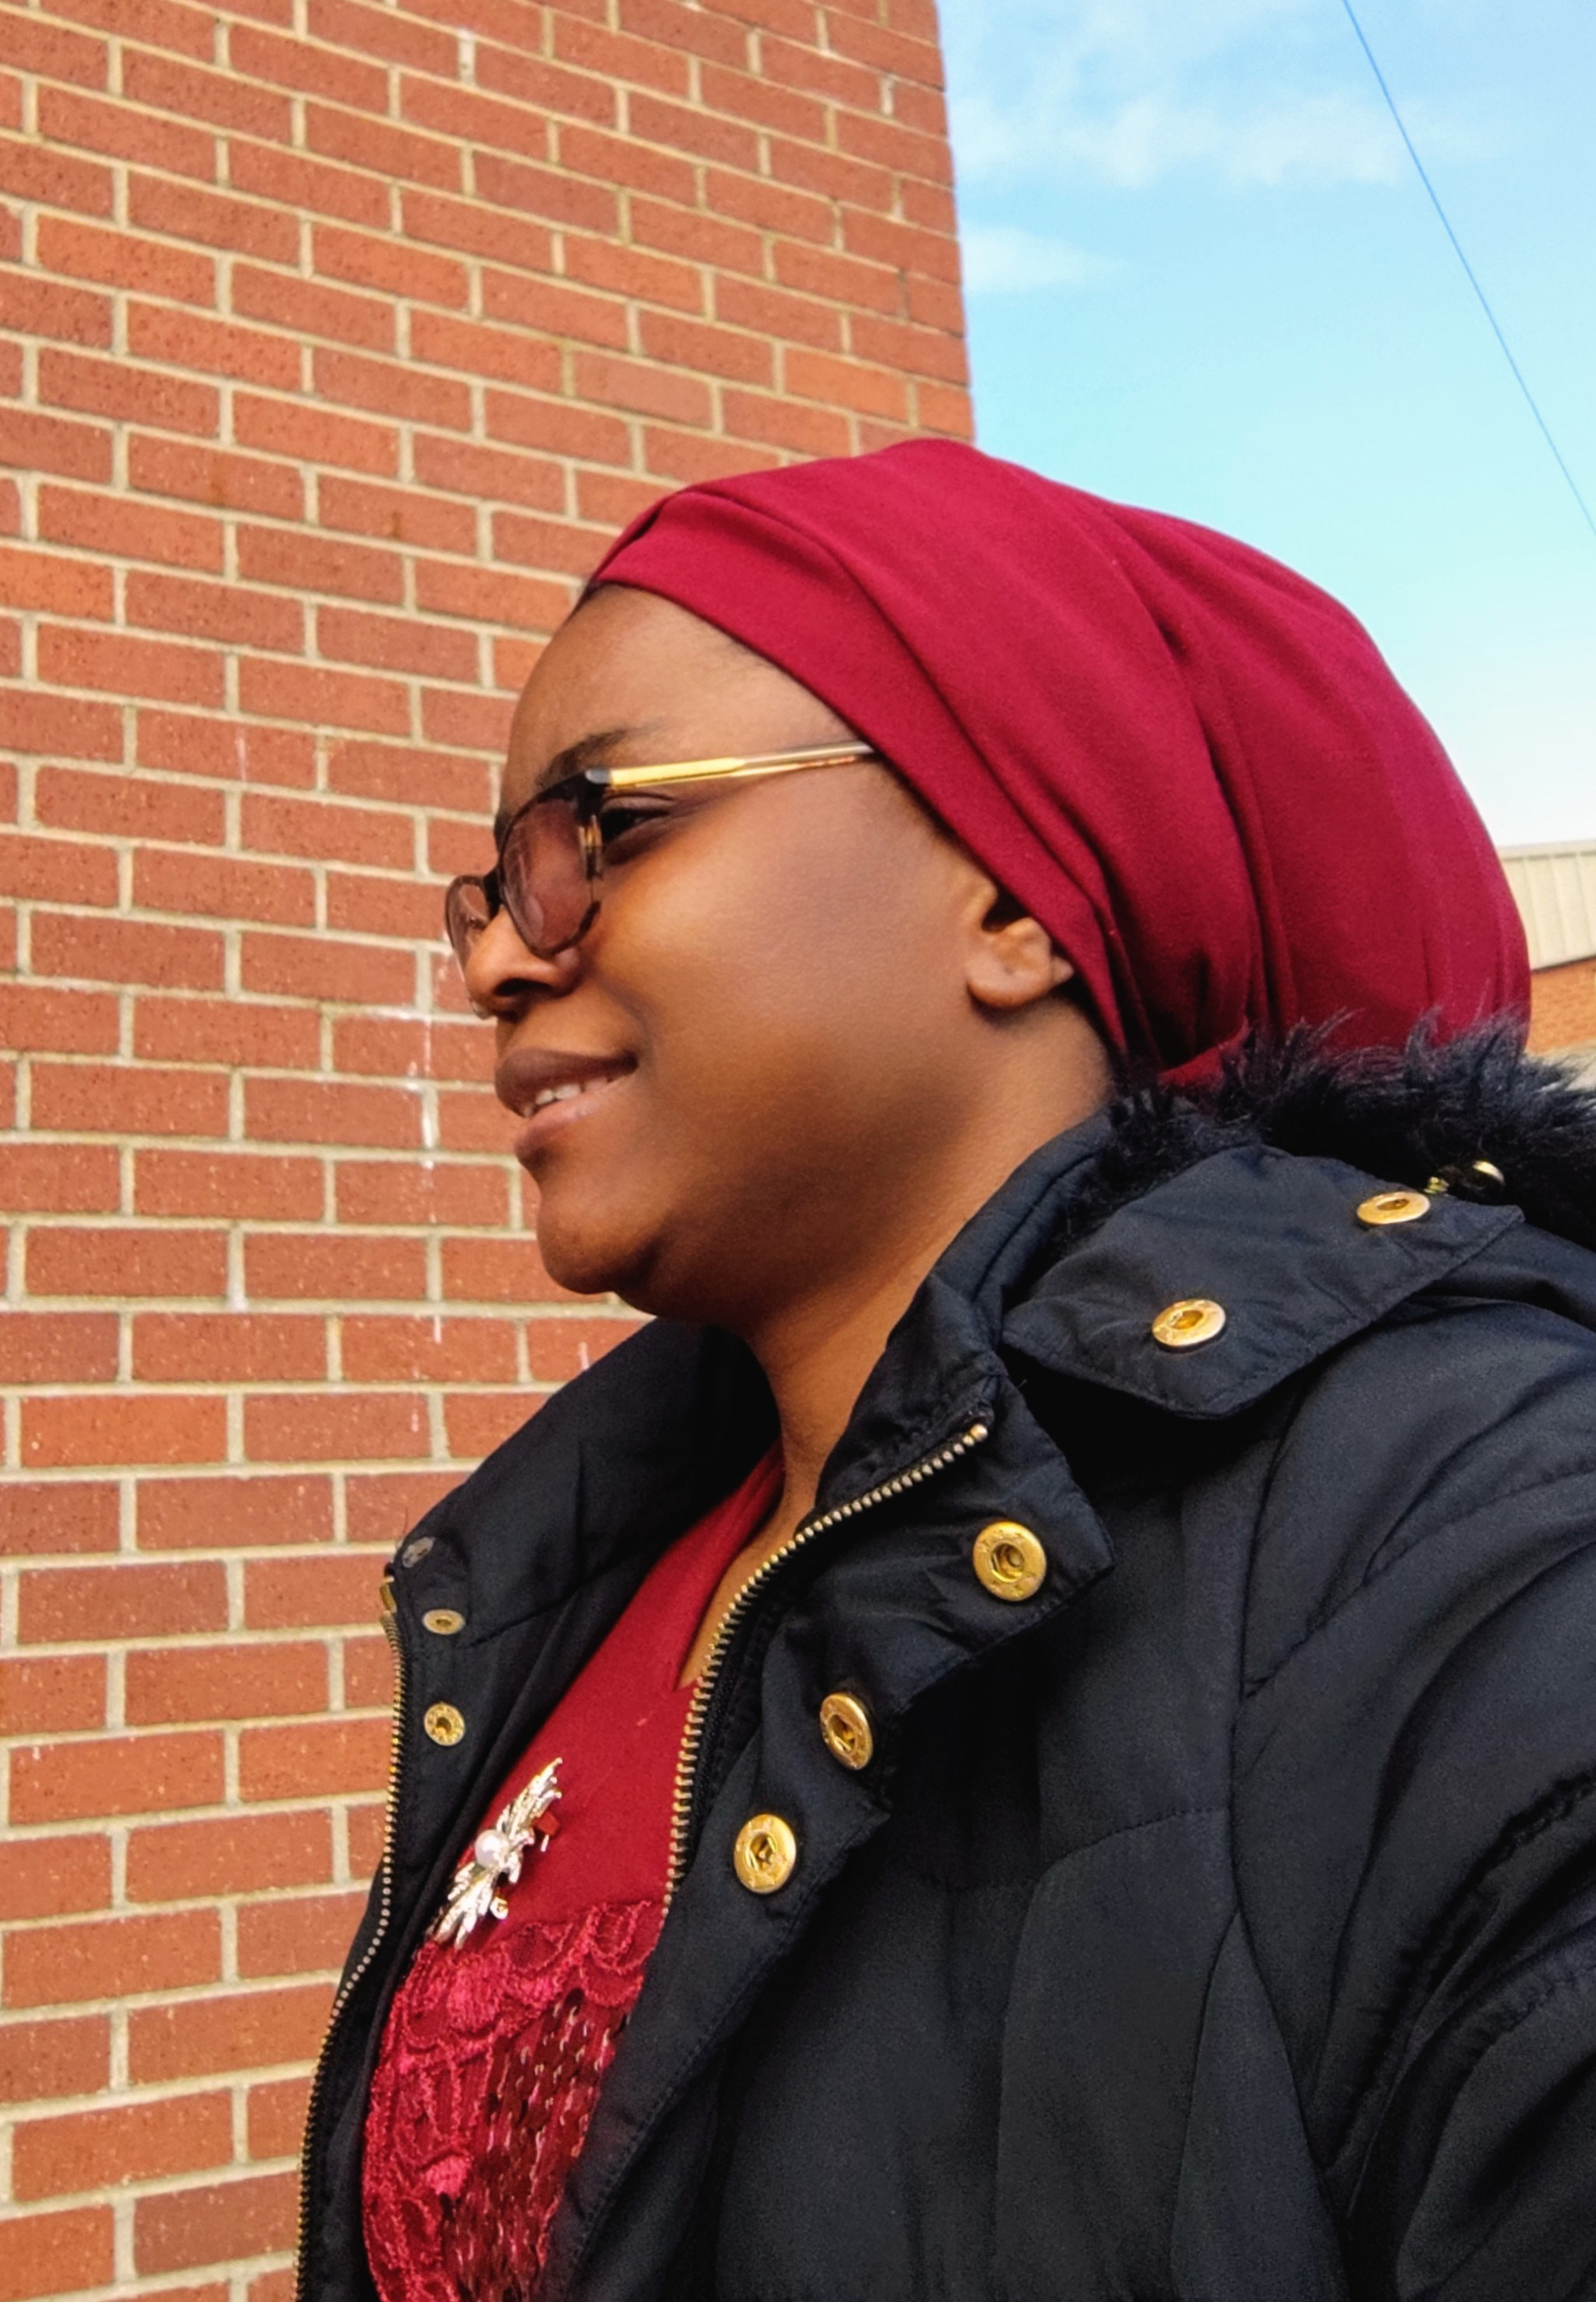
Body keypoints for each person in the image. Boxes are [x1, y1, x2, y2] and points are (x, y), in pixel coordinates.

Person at [293, 438, 1596, 2302]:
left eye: (595, 833)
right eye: (488, 886)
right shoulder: (567, 1584)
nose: (496, 955)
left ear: (1005, 889)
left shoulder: (1467, 1537)